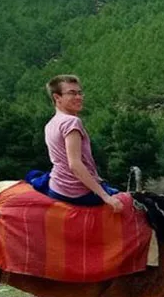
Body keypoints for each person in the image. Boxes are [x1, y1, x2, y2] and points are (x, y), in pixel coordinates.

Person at [41, 75, 122, 211]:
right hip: (76, 191)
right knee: (129, 204)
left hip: (57, 186)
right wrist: (105, 196)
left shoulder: (51, 124)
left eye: (79, 93)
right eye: (72, 93)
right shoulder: (71, 122)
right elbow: (75, 165)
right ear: (57, 97)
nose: (79, 97)